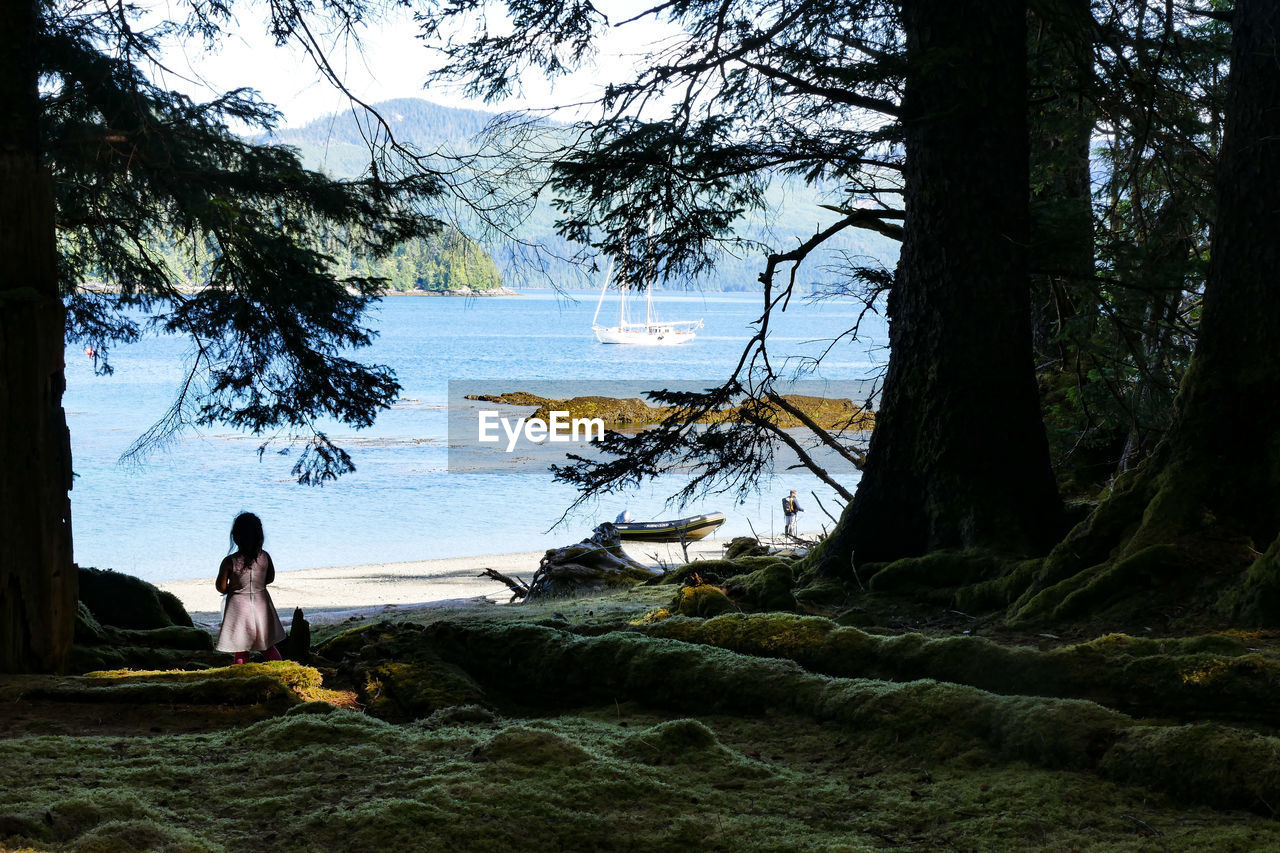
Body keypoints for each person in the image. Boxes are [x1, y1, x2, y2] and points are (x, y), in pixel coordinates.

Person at [214, 512, 287, 664]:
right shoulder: (265, 557)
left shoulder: (229, 561)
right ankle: (281, 670)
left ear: (235, 536)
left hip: (238, 608)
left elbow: (220, 587)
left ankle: (242, 676)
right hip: (261, 605)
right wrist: (258, 585)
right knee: (267, 646)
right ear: (259, 536)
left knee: (240, 648)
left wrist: (232, 589)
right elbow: (270, 578)